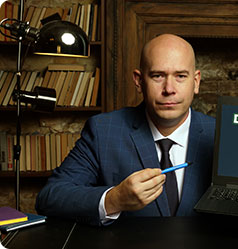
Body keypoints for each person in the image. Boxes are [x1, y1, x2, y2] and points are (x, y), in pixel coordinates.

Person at [35, 34, 215, 226]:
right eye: (157, 76)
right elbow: (50, 197)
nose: (169, 89)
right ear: (138, 81)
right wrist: (114, 199)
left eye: (180, 76)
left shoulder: (220, 135)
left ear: (195, 82)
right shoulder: (103, 131)